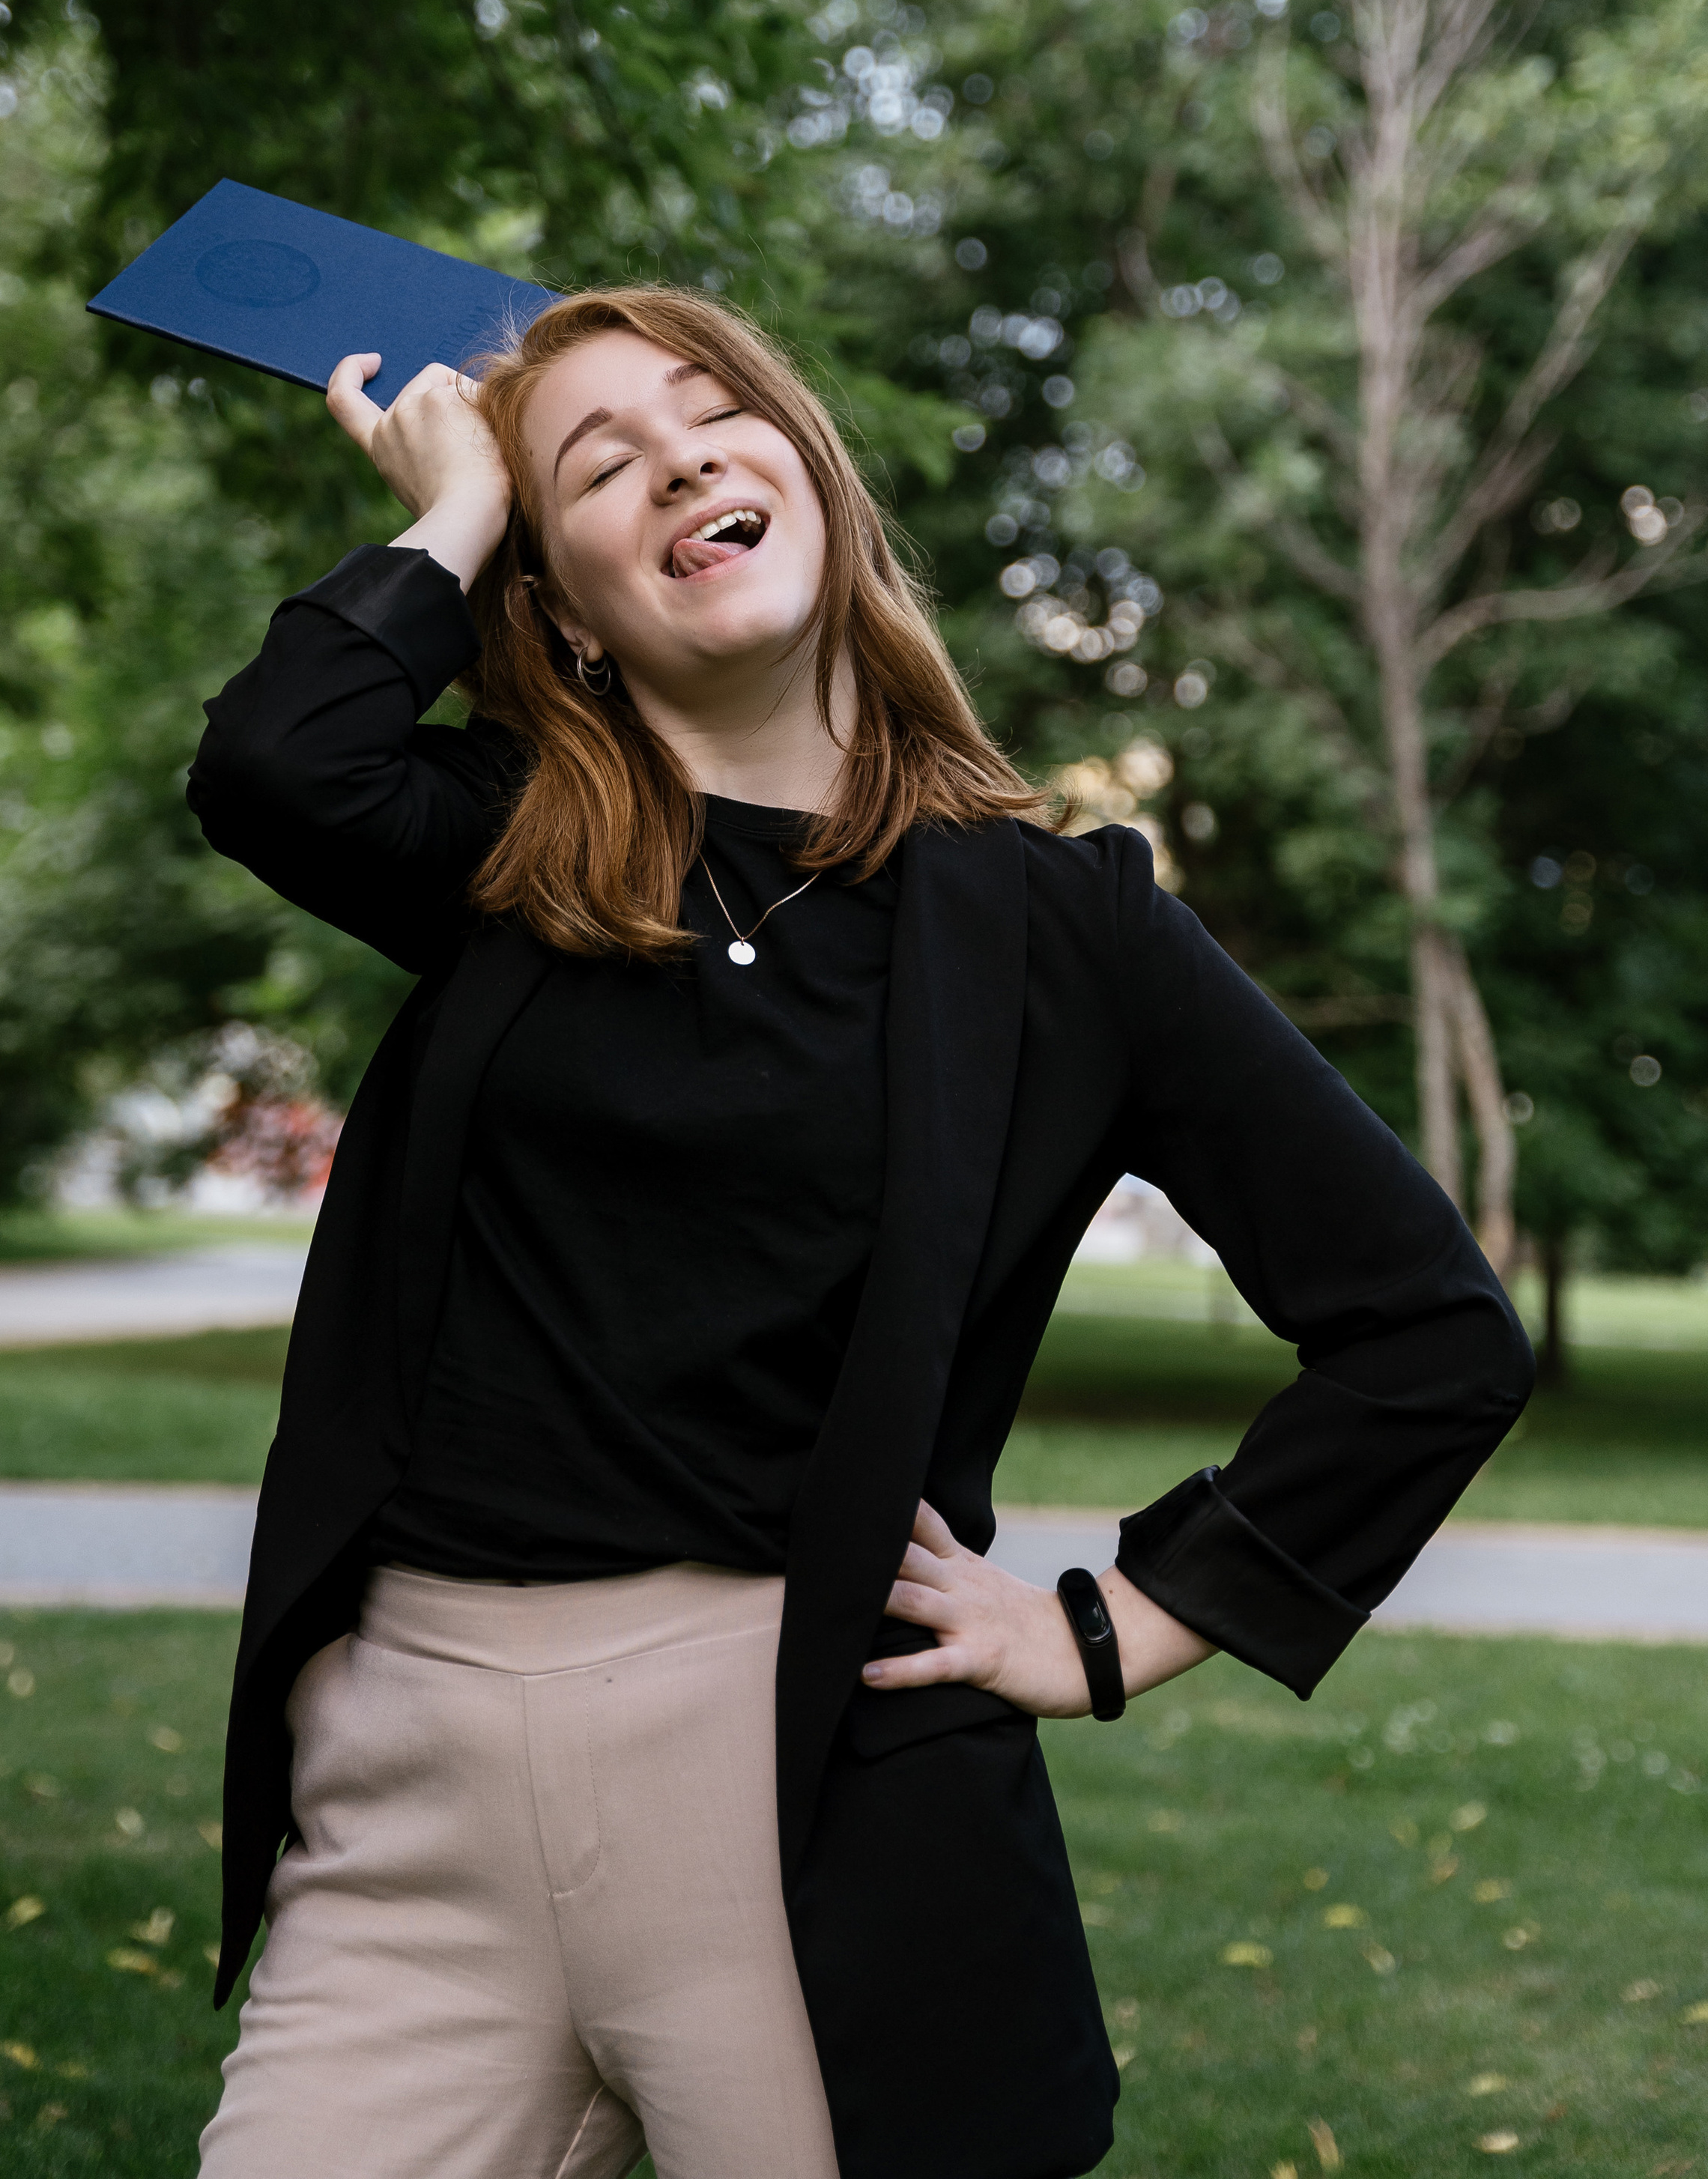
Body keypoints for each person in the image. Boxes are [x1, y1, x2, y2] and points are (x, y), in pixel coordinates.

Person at [187, 288, 1532, 2179]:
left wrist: (1110, 1630)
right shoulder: (510, 852)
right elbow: (272, 763)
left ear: (809, 475)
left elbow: (1426, 1330)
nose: (674, 457)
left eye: (713, 411)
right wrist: (445, 512)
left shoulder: (1064, 929)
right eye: (592, 461)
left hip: (791, 1779)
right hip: (406, 1780)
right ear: (559, 598)